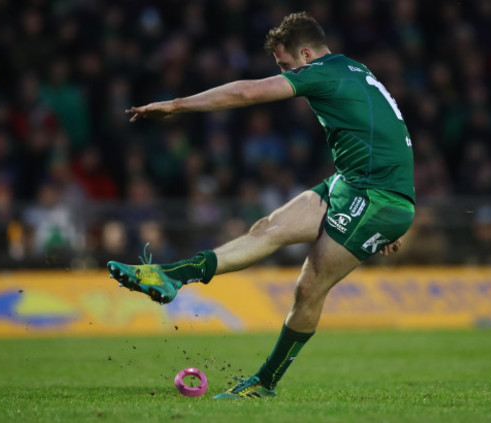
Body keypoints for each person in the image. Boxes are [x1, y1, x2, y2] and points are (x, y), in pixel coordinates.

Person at [108, 12, 415, 399]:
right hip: (355, 184)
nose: (286, 74)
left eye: (286, 66)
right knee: (268, 228)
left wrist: (177, 106)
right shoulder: (353, 68)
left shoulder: (321, 71)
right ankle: (172, 276)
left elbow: (246, 93)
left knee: (309, 287)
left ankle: (264, 384)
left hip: (376, 196)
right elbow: (389, 132)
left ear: (306, 54)